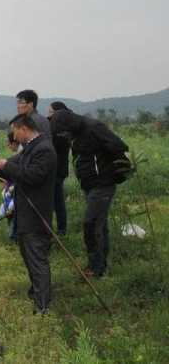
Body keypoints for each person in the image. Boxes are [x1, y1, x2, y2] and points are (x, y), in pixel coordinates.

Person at [50, 109, 130, 277]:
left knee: (90, 224)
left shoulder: (94, 128)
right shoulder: (75, 133)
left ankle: (96, 268)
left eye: (65, 132)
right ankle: (100, 264)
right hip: (90, 185)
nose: (64, 135)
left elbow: (119, 146)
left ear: (70, 124)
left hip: (103, 184)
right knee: (100, 225)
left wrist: (111, 172)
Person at [0, 114, 57, 314]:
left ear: (23, 129)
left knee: (37, 258)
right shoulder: (30, 148)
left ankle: (42, 306)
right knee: (28, 256)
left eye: (14, 131)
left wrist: (8, 166)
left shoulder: (44, 150)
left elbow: (33, 177)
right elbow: (13, 167)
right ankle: (36, 293)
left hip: (37, 214)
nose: (13, 135)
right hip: (25, 213)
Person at [47, 102, 71, 235]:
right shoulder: (62, 127)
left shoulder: (60, 130)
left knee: (57, 201)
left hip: (57, 170)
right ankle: (60, 230)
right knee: (57, 201)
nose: (48, 115)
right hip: (58, 170)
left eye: (50, 112)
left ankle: (60, 230)